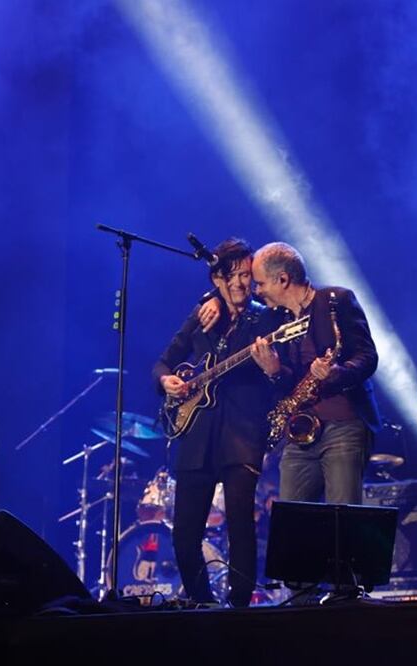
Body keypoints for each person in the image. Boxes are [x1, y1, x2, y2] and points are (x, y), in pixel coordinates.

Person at [154, 238, 285, 608]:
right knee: (184, 533)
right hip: (196, 436)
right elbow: (163, 362)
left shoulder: (266, 317)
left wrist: (273, 370)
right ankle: (203, 603)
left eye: (247, 276)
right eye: (234, 277)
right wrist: (166, 381)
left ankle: (240, 607)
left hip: (243, 434)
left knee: (241, 526)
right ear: (217, 280)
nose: (242, 284)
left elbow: (285, 363)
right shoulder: (204, 315)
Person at [249, 242, 381, 505]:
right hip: (301, 432)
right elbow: (287, 381)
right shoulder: (277, 320)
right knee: (290, 521)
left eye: (261, 283)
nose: (257, 290)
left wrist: (335, 372)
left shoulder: (337, 301)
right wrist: (274, 372)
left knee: (340, 519)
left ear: (283, 279)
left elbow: (368, 358)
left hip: (344, 426)